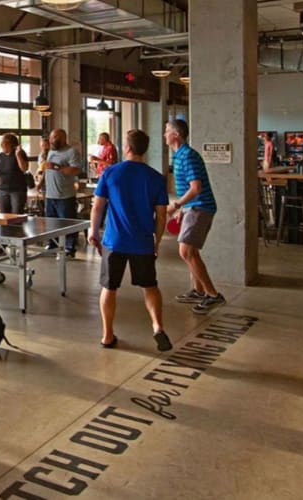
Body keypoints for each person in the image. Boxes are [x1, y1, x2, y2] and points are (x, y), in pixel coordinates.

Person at [88, 129, 172, 351]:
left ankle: (107, 335)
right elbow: (161, 215)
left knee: (109, 287)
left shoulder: (111, 173)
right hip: (142, 241)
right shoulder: (155, 178)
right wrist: (157, 241)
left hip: (114, 241)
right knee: (150, 286)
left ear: (127, 147)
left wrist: (93, 231)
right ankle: (157, 326)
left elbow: (98, 206)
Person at [165, 119, 225, 314]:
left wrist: (176, 205)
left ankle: (213, 295)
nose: (164, 134)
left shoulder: (188, 156)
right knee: (191, 252)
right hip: (192, 208)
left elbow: (196, 188)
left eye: (167, 131)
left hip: (200, 208)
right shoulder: (179, 155)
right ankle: (199, 291)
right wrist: (182, 210)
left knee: (186, 252)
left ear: (176, 134)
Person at [0, 133, 29, 256]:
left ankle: (18, 244)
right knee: (4, 219)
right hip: (3, 190)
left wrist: (18, 155)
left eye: (4, 142)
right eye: (2, 143)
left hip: (17, 190)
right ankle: (3, 245)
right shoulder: (0, 156)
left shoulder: (20, 153)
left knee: (16, 219)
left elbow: (24, 168)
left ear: (11, 144)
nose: (2, 145)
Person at [43, 128, 82, 258]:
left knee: (67, 223)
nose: (52, 140)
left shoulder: (71, 152)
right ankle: (52, 244)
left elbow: (76, 170)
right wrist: (41, 182)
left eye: (55, 138)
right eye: (51, 137)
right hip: (50, 194)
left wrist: (57, 167)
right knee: (51, 222)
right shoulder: (50, 151)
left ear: (63, 138)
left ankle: (70, 248)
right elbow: (47, 169)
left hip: (65, 195)